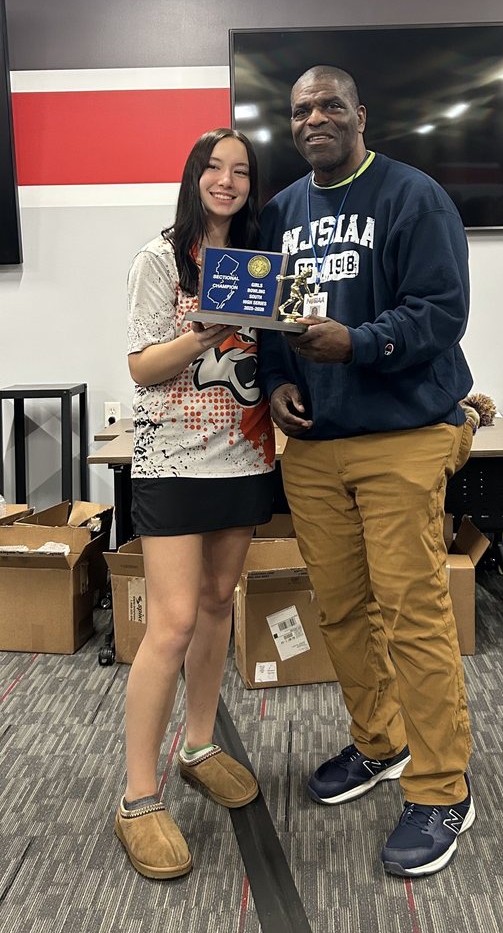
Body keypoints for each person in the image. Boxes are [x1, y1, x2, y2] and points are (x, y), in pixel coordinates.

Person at [258, 66, 476, 878]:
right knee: (344, 609)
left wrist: (358, 343)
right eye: (299, 110)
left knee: (412, 610)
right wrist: (280, 377)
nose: (313, 117)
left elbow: (440, 309)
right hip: (315, 447)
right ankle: (379, 744)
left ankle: (441, 786)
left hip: (402, 434)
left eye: (327, 106)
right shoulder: (280, 211)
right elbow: (270, 323)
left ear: (358, 114)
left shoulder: (411, 197)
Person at [116, 128, 275, 880]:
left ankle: (200, 745)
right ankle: (136, 798)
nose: (227, 180)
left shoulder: (261, 263)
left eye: (241, 171)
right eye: (214, 167)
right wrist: (202, 332)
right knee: (172, 621)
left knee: (218, 604)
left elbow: (273, 347)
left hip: (245, 452)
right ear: (193, 176)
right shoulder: (160, 257)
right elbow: (143, 366)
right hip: (173, 461)